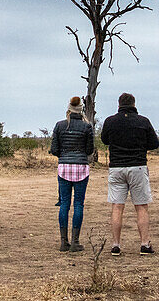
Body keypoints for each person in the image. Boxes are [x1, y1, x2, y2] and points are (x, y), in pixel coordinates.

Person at [100, 92, 159, 256]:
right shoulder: (143, 121)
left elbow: (105, 140)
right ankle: (144, 244)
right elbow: (154, 143)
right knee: (141, 207)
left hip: (116, 168)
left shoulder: (110, 121)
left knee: (117, 206)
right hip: (138, 167)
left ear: (119, 104)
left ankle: (116, 245)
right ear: (134, 104)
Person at [50, 95, 95, 252]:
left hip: (64, 167)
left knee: (64, 204)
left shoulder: (60, 125)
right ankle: (75, 242)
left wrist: (64, 156)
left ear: (68, 108)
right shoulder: (87, 126)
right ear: (81, 108)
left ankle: (64, 242)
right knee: (78, 204)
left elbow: (54, 149)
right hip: (81, 167)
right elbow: (90, 150)